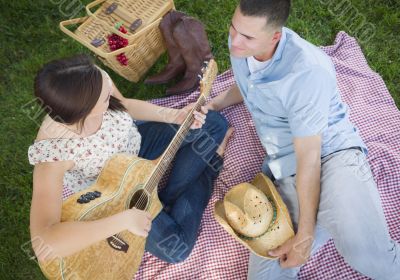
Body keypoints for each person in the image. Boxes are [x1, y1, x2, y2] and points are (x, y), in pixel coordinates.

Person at [205, 0, 400, 279]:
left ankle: (333, 219)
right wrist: (215, 103)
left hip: (332, 157)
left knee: (368, 255)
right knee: (267, 274)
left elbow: (310, 158)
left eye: (247, 36)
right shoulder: (243, 43)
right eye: (233, 28)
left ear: (275, 36)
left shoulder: (307, 73)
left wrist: (305, 234)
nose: (235, 42)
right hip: (285, 169)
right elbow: (248, 81)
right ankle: (330, 218)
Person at [28, 54, 233, 264]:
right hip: (117, 191)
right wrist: (121, 222)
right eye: (105, 99)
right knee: (176, 249)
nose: (109, 89)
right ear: (84, 111)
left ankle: (167, 197)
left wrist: (174, 115)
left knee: (213, 123)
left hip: (138, 145)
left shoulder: (95, 80)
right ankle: (208, 169)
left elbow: (124, 105)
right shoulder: (54, 154)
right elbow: (43, 242)